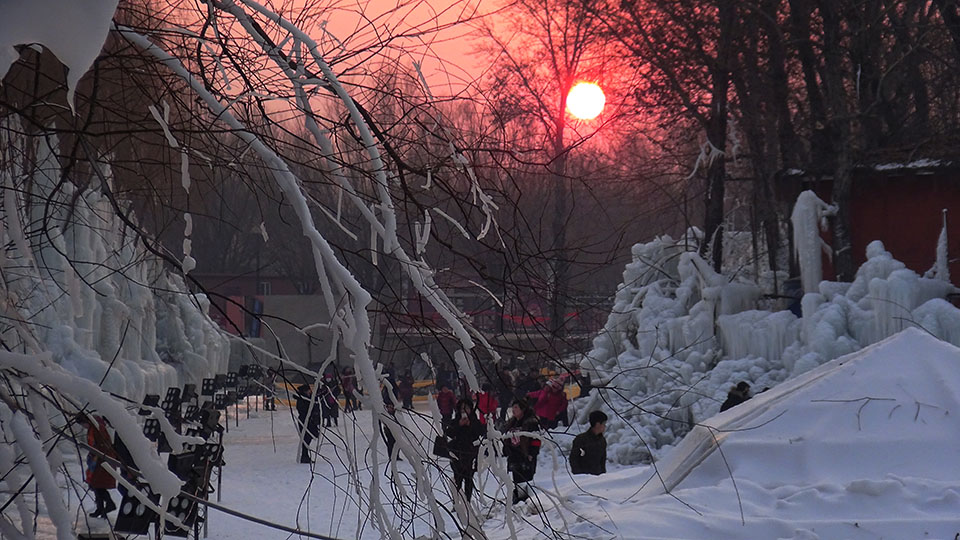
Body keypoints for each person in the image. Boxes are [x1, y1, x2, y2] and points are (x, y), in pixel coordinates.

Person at [443, 399, 485, 501]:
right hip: (457, 453)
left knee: (469, 478)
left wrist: (471, 425)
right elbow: (448, 433)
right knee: (457, 478)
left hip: (471, 453)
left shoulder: (475, 421)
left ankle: (467, 500)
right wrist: (459, 425)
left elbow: (481, 432)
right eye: (462, 408)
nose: (464, 411)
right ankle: (457, 501)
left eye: (466, 408)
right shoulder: (455, 421)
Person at [502, 399, 541, 504]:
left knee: (526, 477)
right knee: (516, 477)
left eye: (516, 408)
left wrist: (532, 453)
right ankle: (518, 496)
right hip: (514, 454)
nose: (513, 410)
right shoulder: (511, 423)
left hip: (526, 454)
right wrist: (505, 450)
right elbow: (506, 438)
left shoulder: (531, 422)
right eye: (513, 408)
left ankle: (527, 498)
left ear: (523, 409)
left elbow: (536, 439)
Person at [79, 413, 117, 518]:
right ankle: (101, 508)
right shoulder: (96, 426)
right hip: (100, 458)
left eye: (83, 424)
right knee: (96, 484)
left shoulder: (96, 428)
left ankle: (109, 504)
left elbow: (100, 445)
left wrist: (94, 456)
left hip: (102, 459)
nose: (84, 427)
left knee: (97, 484)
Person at [570, 410, 607, 475]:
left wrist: (603, 474)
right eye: (604, 424)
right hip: (583, 478)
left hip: (598, 477)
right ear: (597, 424)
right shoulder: (581, 439)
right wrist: (579, 475)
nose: (605, 426)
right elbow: (574, 459)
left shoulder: (602, 441)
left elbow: (602, 460)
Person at [295, 384, 321, 464]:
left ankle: (305, 455)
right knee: (306, 439)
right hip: (305, 421)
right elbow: (303, 410)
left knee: (308, 438)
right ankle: (304, 456)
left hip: (311, 421)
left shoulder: (310, 398)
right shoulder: (302, 399)